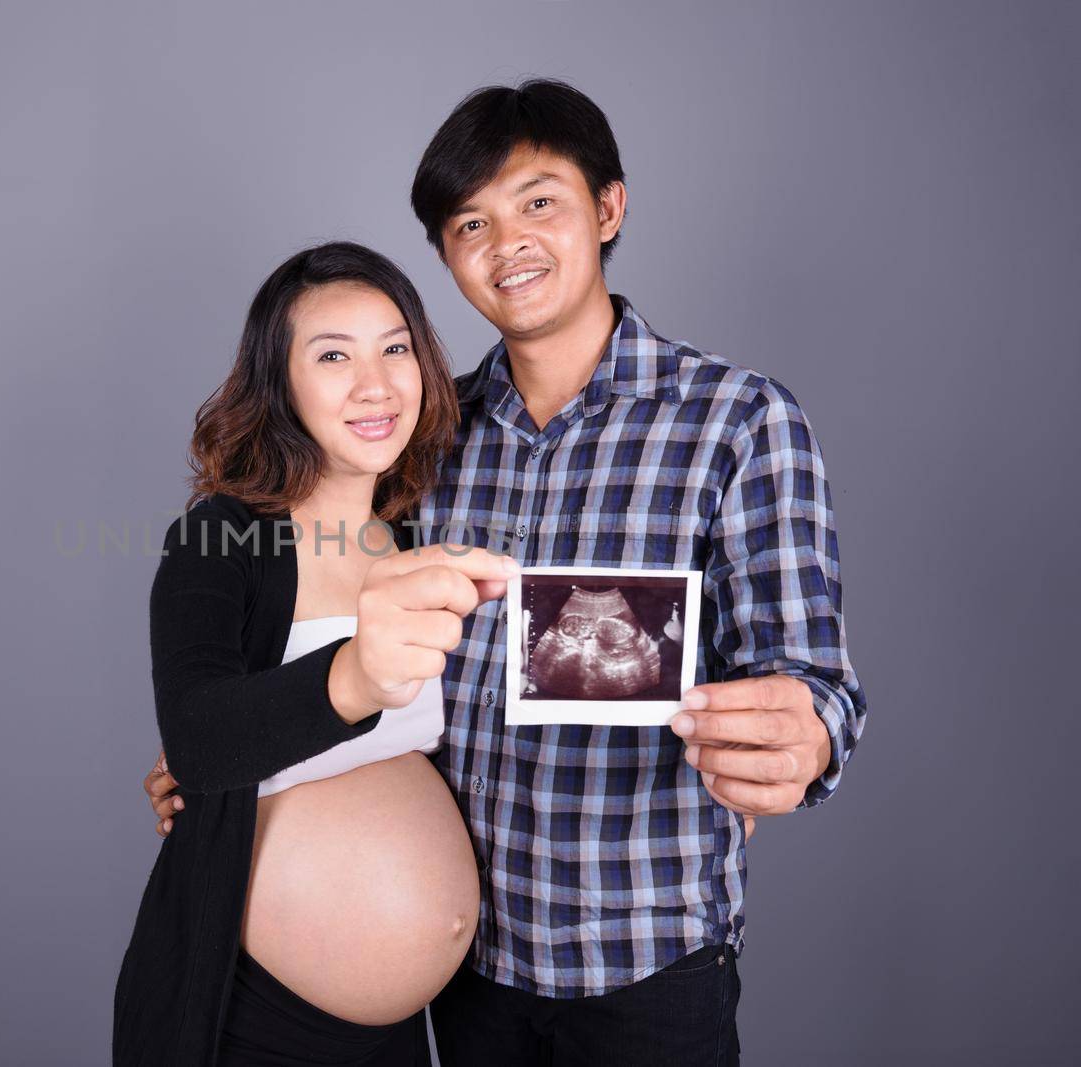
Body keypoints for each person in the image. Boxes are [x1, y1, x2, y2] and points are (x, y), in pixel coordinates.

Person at [145, 78, 867, 1065]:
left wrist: (807, 737)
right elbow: (324, 642)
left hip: (644, 959)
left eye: (537, 202)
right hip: (473, 978)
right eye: (468, 222)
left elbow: (813, 680)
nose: (505, 244)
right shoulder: (421, 449)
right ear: (446, 255)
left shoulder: (737, 421)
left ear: (606, 207)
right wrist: (223, 762)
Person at [113, 241, 521, 1066]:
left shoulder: (414, 535)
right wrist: (354, 674)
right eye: (333, 355)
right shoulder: (219, 536)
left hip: (406, 1036)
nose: (375, 385)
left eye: (396, 348)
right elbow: (199, 737)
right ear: (281, 381)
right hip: (257, 1021)